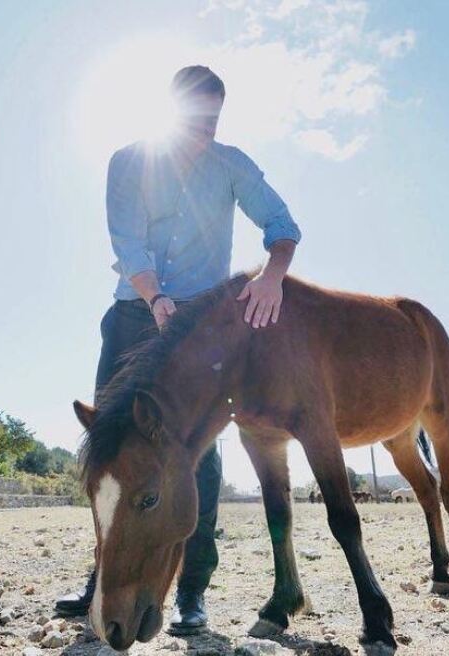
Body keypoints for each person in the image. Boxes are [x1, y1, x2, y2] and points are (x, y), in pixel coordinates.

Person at [54, 65, 302, 636]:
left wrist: (274, 276)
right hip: (134, 311)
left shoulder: (231, 164)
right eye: (193, 118)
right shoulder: (128, 162)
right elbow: (128, 240)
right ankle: (103, 581)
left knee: (197, 456)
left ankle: (192, 590)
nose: (202, 132)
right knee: (115, 455)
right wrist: (155, 296)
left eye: (212, 120)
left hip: (198, 330)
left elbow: (282, 223)